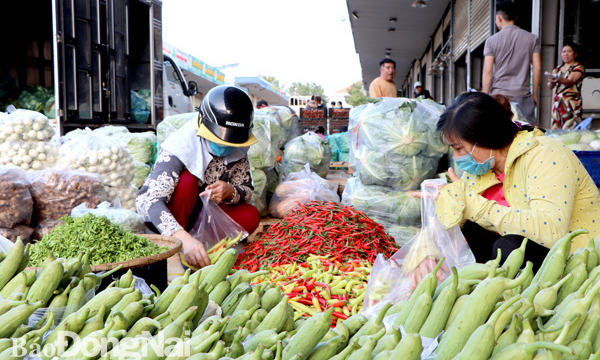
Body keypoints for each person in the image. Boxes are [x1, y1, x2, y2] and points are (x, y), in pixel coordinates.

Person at [427, 92, 600, 271]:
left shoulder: (545, 154)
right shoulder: (483, 166)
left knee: (511, 247)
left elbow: (551, 231)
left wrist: (478, 207)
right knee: (471, 226)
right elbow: (458, 215)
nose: (456, 157)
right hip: (529, 258)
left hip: (575, 261)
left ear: (486, 137)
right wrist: (427, 251)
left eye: (459, 148)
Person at [136, 85, 260, 268]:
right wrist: (183, 239)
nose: (225, 147)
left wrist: (230, 191)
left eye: (230, 142)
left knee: (250, 215)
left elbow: (247, 190)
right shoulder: (181, 146)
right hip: (173, 220)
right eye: (219, 140)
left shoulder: (238, 147)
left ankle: (205, 249)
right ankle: (174, 252)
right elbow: (150, 202)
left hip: (205, 218)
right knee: (187, 182)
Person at [482, 1, 541, 124]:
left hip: (500, 97)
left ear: (499, 18)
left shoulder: (491, 41)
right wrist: (534, 94)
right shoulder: (532, 39)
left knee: (499, 134)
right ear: (516, 17)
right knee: (528, 134)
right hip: (523, 95)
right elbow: (537, 68)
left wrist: (484, 95)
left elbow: (488, 71)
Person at [548, 43, 585, 130]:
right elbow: (550, 86)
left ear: (575, 54)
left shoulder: (578, 67)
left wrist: (557, 78)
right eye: (564, 51)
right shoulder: (557, 68)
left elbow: (569, 81)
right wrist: (551, 82)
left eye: (569, 51)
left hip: (571, 103)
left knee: (571, 128)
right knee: (556, 129)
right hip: (558, 103)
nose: (566, 54)